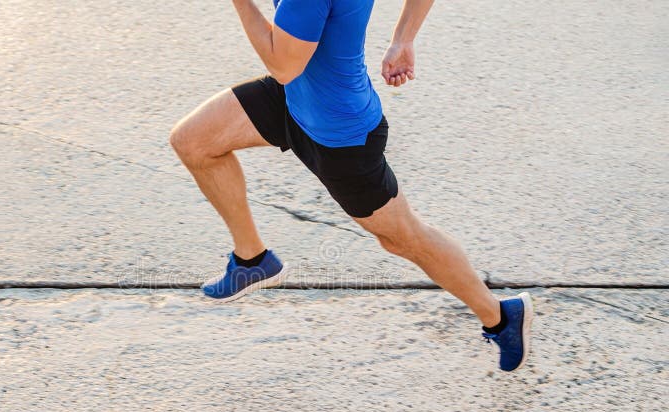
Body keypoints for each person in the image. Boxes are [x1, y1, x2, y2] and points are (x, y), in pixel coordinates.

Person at [169, 0, 533, 371]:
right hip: (294, 100)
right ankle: (253, 260)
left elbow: (282, 64)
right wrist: (403, 39)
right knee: (194, 141)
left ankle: (501, 316)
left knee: (404, 237)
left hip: (339, 135)